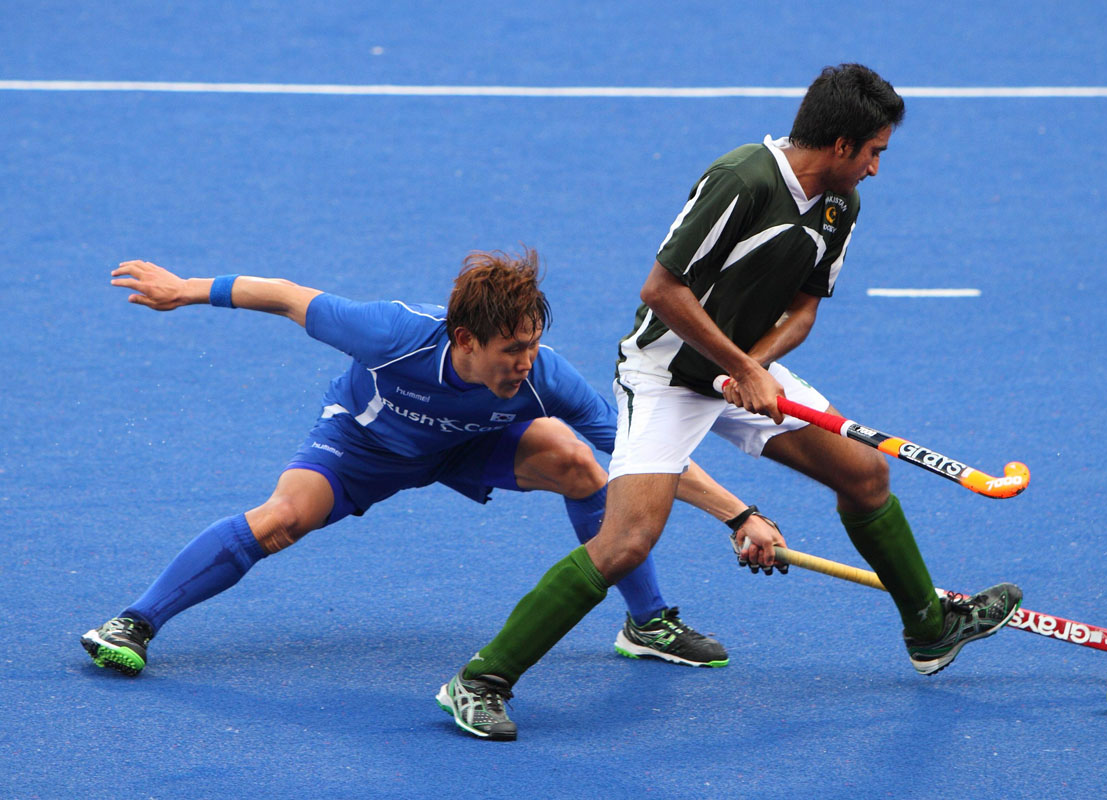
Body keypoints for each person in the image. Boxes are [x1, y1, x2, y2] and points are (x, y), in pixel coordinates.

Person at [439, 63, 1023, 741]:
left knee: (866, 474)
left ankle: (928, 628)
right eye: (873, 152)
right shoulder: (742, 179)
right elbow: (661, 291)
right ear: (840, 146)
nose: (874, 169)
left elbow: (803, 312)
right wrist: (741, 366)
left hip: (742, 370)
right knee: (627, 540)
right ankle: (478, 682)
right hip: (665, 374)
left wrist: (758, 371)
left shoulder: (840, 207)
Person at [81, 251, 788, 679]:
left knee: (583, 464)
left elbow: (647, 457)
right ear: (463, 339)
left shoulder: (545, 380)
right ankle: (135, 623)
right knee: (281, 520)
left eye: (533, 345)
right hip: (368, 445)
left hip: (471, 446)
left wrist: (741, 515)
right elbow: (286, 297)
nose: (525, 363)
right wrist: (185, 289)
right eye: (511, 349)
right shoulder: (389, 335)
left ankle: (646, 623)